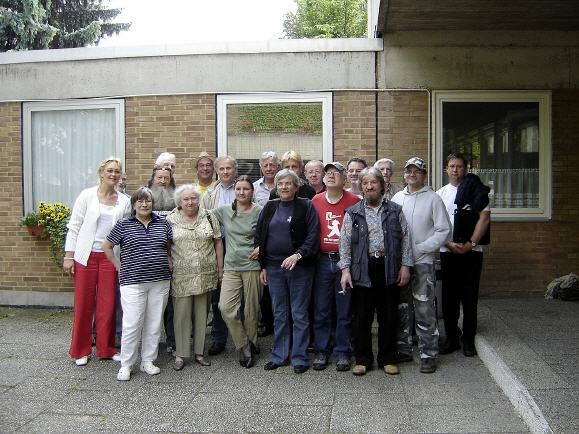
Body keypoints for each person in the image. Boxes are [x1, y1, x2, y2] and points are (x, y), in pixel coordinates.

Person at [339, 167, 413, 376]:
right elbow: (343, 242)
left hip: (388, 267)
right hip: (362, 267)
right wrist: (345, 270)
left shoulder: (395, 210)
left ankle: (387, 358)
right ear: (361, 187)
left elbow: (406, 239)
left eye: (373, 182)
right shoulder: (353, 212)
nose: (369, 186)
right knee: (361, 317)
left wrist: (406, 266)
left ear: (382, 185)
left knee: (388, 316)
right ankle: (362, 359)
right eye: (365, 183)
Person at [63, 157, 131, 366]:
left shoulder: (124, 200)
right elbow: (74, 226)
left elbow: (125, 231)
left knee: (108, 304)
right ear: (101, 172)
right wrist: (69, 256)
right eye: (110, 170)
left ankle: (106, 348)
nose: (113, 174)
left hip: (110, 258)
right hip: (86, 257)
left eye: (117, 171)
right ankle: (80, 350)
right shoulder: (86, 196)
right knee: (84, 304)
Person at [102, 187, 173, 381]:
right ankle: (126, 364)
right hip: (132, 282)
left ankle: (148, 361)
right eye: (140, 201)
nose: (144, 204)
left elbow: (168, 245)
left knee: (153, 323)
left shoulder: (163, 223)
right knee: (132, 323)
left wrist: (168, 260)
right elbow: (106, 246)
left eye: (148, 201)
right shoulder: (124, 224)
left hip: (159, 280)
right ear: (134, 204)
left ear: (152, 203)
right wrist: (118, 266)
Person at [256, 169, 320, 374]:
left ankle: (299, 357)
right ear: (276, 187)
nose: (284, 187)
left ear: (296, 186)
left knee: (299, 312)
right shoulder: (269, 207)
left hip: (300, 268)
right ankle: (280, 355)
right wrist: (263, 266)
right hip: (274, 268)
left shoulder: (306, 205)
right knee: (280, 312)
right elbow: (260, 236)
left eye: (288, 183)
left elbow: (313, 236)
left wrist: (298, 255)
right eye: (280, 184)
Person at [391, 157, 451, 373]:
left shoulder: (433, 199)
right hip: (400, 263)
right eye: (409, 171)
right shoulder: (397, 197)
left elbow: (444, 230)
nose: (412, 174)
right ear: (404, 174)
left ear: (424, 175)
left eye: (417, 171)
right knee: (402, 306)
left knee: (425, 308)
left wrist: (422, 248)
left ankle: (428, 353)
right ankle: (404, 349)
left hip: (422, 262)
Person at [437, 153, 490, 357]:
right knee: (449, 298)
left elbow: (484, 218)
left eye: (459, 166)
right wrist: (448, 243)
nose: (455, 170)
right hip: (447, 251)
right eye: (451, 166)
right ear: (446, 169)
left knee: (469, 297)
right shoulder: (440, 194)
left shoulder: (477, 191)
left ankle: (468, 339)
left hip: (472, 252)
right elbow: (436, 223)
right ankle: (452, 338)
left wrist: (471, 244)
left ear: (465, 169)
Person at [166, 184, 223, 371]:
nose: (190, 202)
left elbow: (218, 241)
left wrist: (220, 267)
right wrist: (168, 261)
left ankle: (199, 353)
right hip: (181, 275)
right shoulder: (170, 219)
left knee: (202, 313)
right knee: (181, 315)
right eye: (186, 199)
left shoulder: (209, 216)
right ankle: (181, 354)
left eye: (193, 198)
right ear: (179, 202)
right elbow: (164, 244)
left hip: (205, 273)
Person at [311, 162, 360, 372]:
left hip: (345, 263)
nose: (331, 176)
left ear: (345, 179)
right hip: (322, 261)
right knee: (322, 309)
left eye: (336, 173)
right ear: (323, 178)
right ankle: (322, 350)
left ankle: (342, 352)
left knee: (344, 310)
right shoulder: (315, 201)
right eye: (328, 173)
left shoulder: (355, 202)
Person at [213, 176, 262, 368]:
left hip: (252, 266)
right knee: (225, 308)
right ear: (234, 191)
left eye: (246, 189)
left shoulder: (260, 211)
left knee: (251, 311)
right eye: (238, 189)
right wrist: (178, 209)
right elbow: (201, 214)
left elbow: (271, 232)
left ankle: (252, 342)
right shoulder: (224, 211)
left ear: (252, 191)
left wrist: (262, 247)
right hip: (231, 266)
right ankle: (243, 344)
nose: (242, 192)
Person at [201, 155, 237, 356]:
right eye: (222, 168)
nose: (225, 172)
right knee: (218, 293)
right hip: (218, 243)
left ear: (235, 170)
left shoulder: (242, 188)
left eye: (229, 168)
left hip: (239, 245)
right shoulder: (210, 194)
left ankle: (244, 337)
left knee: (240, 294)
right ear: (217, 170)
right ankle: (218, 337)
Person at [146, 165, 177, 354]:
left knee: (171, 305)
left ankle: (173, 342)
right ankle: (151, 343)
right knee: (150, 305)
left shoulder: (176, 200)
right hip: (149, 259)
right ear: (152, 180)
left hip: (173, 258)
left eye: (167, 178)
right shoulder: (144, 200)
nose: (163, 181)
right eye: (160, 178)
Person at [253, 151, 279, 339]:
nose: (269, 168)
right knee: (264, 285)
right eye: (266, 165)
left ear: (277, 166)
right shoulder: (254, 188)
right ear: (261, 167)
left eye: (272, 165)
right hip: (259, 239)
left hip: (279, 239)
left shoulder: (284, 185)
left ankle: (278, 322)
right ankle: (267, 322)